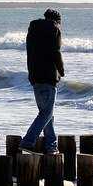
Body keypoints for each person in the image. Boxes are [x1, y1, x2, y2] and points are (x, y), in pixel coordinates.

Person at [19, 9, 64, 154]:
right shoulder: (54, 30)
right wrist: (61, 71)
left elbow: (30, 52)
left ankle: (51, 146)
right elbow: (56, 52)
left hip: (35, 76)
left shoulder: (32, 30)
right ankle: (27, 142)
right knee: (46, 113)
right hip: (49, 77)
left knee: (46, 113)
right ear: (56, 20)